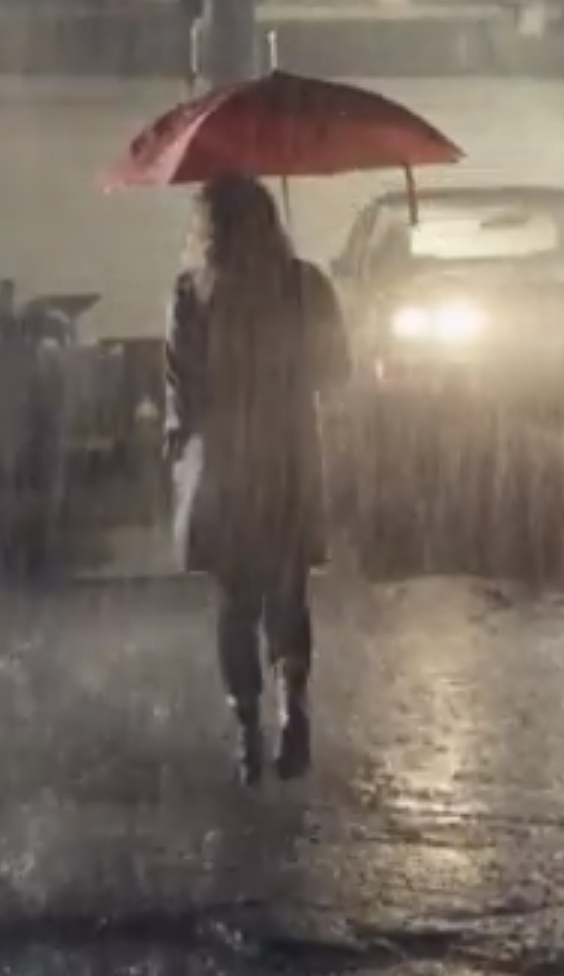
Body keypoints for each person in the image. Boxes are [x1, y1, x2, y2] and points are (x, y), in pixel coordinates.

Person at [164, 175, 352, 787]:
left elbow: (183, 388)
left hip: (226, 464)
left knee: (236, 602)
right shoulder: (306, 285)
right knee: (287, 590)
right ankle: (293, 708)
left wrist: (179, 442)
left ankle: (248, 731)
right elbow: (336, 373)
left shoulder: (193, 293)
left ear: (209, 228)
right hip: (289, 456)